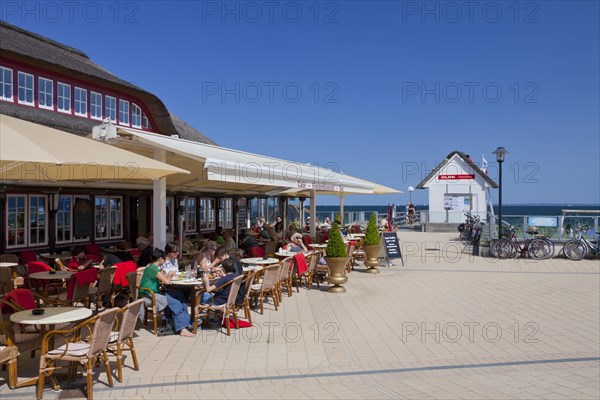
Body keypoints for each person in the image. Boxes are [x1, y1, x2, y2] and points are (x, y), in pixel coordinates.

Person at [138, 249, 194, 337]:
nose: (164, 260)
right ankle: (182, 328)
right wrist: (170, 274)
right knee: (175, 301)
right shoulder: (154, 269)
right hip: (149, 295)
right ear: (160, 259)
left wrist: (163, 274)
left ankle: (185, 324)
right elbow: (167, 282)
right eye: (164, 259)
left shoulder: (151, 267)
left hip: (154, 292)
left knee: (180, 296)